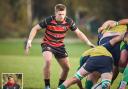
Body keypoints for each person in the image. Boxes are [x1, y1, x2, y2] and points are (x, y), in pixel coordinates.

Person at [25, 4, 95, 89]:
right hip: (47, 44)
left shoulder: (69, 21)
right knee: (48, 60)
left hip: (60, 46)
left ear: (65, 13)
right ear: (55, 13)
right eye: (59, 14)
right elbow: (35, 28)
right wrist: (29, 41)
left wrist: (88, 42)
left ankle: (60, 87)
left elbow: (79, 33)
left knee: (66, 68)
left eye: (63, 14)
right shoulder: (49, 20)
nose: (61, 16)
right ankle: (47, 86)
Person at [58, 32, 127, 89]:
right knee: (106, 85)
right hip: (108, 61)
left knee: (75, 78)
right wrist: (124, 36)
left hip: (94, 59)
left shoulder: (85, 54)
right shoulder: (105, 46)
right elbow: (116, 40)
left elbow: (77, 80)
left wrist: (81, 88)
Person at [85, 19, 128, 89]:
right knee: (106, 76)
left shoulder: (108, 27)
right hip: (108, 50)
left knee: (96, 73)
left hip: (106, 50)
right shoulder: (107, 29)